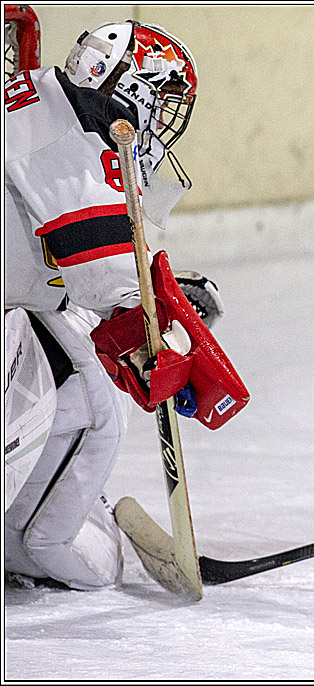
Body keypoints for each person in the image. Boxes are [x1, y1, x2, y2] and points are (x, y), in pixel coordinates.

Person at [4, 20, 232, 591]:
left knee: (67, 358)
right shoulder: (76, 160)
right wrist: (169, 350)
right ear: (126, 89)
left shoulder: (33, 93)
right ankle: (39, 540)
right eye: (161, 102)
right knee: (94, 401)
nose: (162, 122)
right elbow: (121, 312)